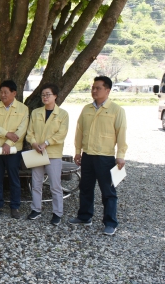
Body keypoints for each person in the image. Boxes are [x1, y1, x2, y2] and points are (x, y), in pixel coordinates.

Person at [70, 76, 127, 236]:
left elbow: (121, 133)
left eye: (98, 88)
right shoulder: (86, 109)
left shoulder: (116, 110)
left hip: (105, 157)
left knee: (108, 192)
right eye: (93, 88)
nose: (94, 91)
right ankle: (84, 216)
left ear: (107, 90)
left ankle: (110, 223)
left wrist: (120, 155)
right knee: (85, 188)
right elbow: (79, 131)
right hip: (88, 156)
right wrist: (77, 151)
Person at [25, 83, 69, 225]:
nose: (45, 97)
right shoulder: (36, 112)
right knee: (36, 183)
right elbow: (29, 132)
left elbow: (61, 134)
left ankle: (57, 213)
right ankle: (36, 209)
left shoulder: (63, 114)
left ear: (55, 96)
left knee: (55, 185)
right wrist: (33, 143)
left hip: (53, 153)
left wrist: (47, 143)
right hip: (37, 152)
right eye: (43, 94)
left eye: (48, 94)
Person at [0, 80, 29, 219]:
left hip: (13, 151)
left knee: (14, 179)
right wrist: (6, 134)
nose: (2, 95)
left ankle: (15, 207)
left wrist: (8, 143)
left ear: (14, 93)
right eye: (1, 92)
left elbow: (21, 130)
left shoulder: (23, 109)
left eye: (5, 92)